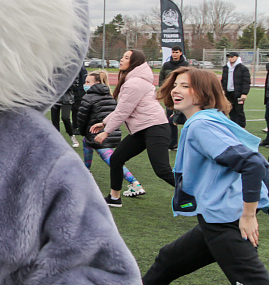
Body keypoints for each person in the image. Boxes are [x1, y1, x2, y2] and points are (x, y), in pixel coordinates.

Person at [142, 67, 269, 285]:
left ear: (204, 93)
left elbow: (252, 164)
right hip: (215, 218)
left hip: (226, 223)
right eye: (176, 85)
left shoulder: (202, 125)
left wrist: (249, 215)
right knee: (170, 257)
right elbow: (263, 162)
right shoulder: (212, 118)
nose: (176, 90)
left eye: (186, 86)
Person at [89, 49, 175, 207]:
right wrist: (104, 123)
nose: (121, 59)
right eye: (122, 56)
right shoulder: (133, 80)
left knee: (162, 170)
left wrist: (106, 132)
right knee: (116, 159)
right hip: (142, 129)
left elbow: (123, 111)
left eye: (126, 57)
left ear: (134, 63)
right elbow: (123, 108)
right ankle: (114, 198)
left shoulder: (134, 83)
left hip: (155, 127)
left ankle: (195, 195)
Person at [75, 70, 144, 197]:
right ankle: (86, 171)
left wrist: (82, 129)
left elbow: (82, 117)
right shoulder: (110, 96)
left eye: (88, 82)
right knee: (86, 143)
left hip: (97, 134)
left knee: (112, 160)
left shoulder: (88, 97)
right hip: (110, 133)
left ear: (96, 83)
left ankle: (135, 184)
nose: (85, 84)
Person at [159, 46, 190, 150]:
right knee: (171, 119)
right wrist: (164, 89)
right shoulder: (166, 65)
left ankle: (189, 142)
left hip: (183, 95)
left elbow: (190, 78)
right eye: (173, 52)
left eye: (176, 52)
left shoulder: (185, 65)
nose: (174, 54)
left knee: (186, 118)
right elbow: (162, 78)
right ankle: (172, 144)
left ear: (180, 53)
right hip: (170, 95)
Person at [221, 51, 250, 127]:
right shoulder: (226, 68)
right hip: (228, 93)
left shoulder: (243, 68)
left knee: (239, 111)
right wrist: (223, 89)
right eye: (229, 57)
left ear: (237, 57)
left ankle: (242, 127)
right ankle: (234, 126)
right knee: (230, 110)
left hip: (238, 93)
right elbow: (223, 80)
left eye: (232, 57)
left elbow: (246, 81)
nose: (230, 58)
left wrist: (244, 93)